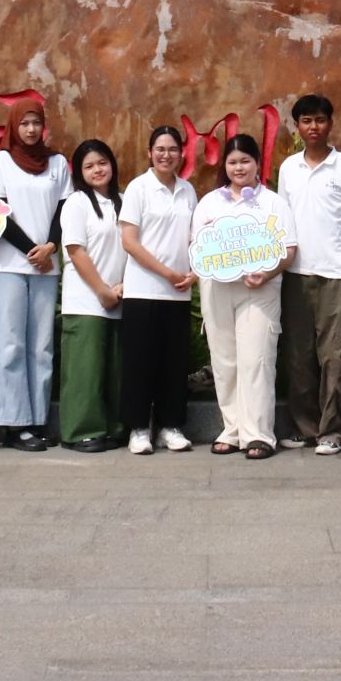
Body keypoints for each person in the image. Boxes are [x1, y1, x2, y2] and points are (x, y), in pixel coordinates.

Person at [193, 133, 299, 459]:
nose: (239, 168)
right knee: (224, 361)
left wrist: (267, 273)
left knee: (257, 360)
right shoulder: (210, 203)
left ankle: (259, 434)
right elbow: (197, 247)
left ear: (257, 164)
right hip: (217, 289)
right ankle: (232, 430)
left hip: (259, 289)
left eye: (245, 161)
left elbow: (289, 249)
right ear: (224, 165)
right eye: (233, 162)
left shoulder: (273, 203)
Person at [275, 94, 341, 456]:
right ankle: (306, 427)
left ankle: (334, 430)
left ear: (330, 123)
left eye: (320, 120)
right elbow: (281, 220)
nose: (313, 127)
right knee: (299, 356)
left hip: (337, 274)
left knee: (337, 356)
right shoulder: (288, 168)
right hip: (296, 273)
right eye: (306, 120)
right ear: (297, 126)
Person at [0, 99, 71, 450]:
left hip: (46, 267)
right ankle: (12, 423)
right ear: (14, 126)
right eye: (24, 123)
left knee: (41, 346)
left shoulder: (57, 163)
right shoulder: (0, 162)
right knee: (9, 344)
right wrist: (34, 251)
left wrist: (50, 247)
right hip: (9, 267)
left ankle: (36, 419)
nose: (31, 129)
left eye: (36, 122)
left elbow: (64, 209)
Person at [118, 126, 200, 455]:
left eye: (172, 149)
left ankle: (170, 426)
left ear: (182, 153)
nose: (166, 155)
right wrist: (166, 272)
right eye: (160, 149)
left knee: (174, 364)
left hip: (178, 291)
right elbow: (129, 241)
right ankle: (139, 428)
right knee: (140, 363)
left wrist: (195, 272)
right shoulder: (138, 188)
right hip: (143, 290)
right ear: (150, 152)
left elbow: (195, 239)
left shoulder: (188, 190)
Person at [57, 139, 126, 453]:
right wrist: (101, 290)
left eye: (102, 162)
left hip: (119, 297)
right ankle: (81, 431)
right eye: (89, 166)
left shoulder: (124, 201)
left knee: (113, 369)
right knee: (85, 370)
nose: (97, 170)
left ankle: (113, 427)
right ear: (79, 172)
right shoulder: (77, 202)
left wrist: (122, 286)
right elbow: (75, 251)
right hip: (87, 299)